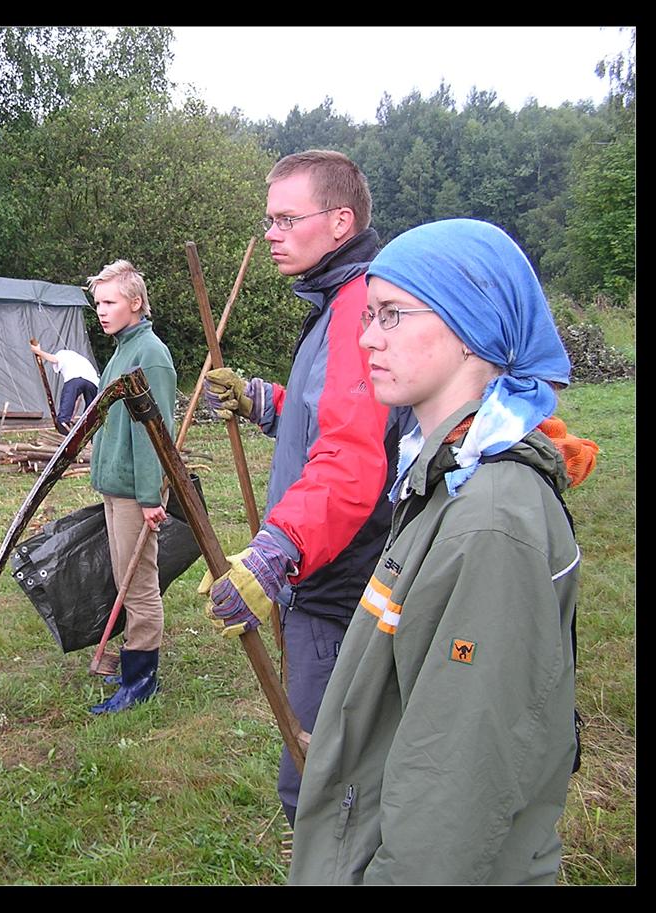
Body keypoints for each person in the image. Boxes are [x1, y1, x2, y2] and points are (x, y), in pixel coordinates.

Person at [289, 218, 595, 885]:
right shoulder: (446, 475)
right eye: (368, 316)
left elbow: (454, 788)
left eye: (392, 315)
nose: (368, 337)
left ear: (470, 328)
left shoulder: (489, 520)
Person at [201, 150, 409, 825]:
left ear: (341, 221)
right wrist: (265, 402)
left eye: (286, 219)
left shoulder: (357, 309)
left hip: (336, 581)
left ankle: (337, 860)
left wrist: (274, 553)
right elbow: (339, 417)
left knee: (320, 784)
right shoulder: (337, 303)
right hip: (327, 570)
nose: (270, 234)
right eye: (270, 220)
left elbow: (351, 460)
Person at [86, 259, 177, 714]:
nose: (101, 311)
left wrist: (148, 496)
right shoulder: (123, 349)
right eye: (98, 303)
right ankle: (130, 666)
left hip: (135, 493)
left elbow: (154, 433)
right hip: (116, 486)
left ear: (136, 302)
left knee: (138, 584)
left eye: (109, 302)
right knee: (125, 577)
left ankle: (141, 680)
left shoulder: (150, 355)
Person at [28, 341, 100, 433]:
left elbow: (54, 359)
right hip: (93, 383)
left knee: (66, 404)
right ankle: (88, 428)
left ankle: (63, 422)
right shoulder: (80, 360)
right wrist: (72, 417)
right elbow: (77, 399)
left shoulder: (62, 354)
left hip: (75, 378)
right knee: (91, 410)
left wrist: (38, 351)